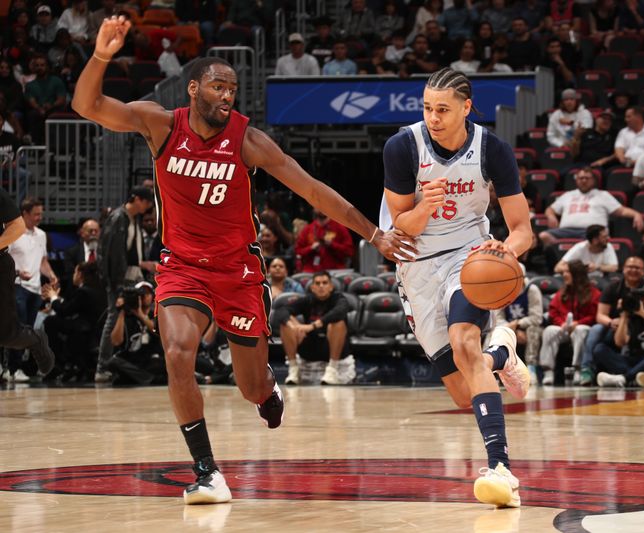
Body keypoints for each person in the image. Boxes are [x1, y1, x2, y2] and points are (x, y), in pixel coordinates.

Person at [73, 16, 412, 506]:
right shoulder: (159, 124)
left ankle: (268, 391)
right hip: (181, 265)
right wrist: (102, 55)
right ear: (194, 89)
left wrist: (375, 234)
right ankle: (207, 471)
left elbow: (313, 190)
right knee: (177, 352)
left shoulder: (247, 140)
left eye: (232, 88)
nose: (227, 95)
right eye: (217, 86)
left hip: (238, 271)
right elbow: (87, 105)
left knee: (251, 387)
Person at [382, 68, 533, 507]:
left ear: (467, 108)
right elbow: (400, 229)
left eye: (443, 109)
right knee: (462, 389)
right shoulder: (402, 147)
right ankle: (502, 352)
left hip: (469, 259)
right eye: (427, 107)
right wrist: (425, 206)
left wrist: (503, 250)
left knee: (465, 345)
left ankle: (501, 469)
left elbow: (522, 227)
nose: (433, 116)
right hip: (416, 264)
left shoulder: (493, 149)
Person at [95, 186, 154, 383]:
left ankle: (122, 363)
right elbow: (111, 253)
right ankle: (102, 366)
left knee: (134, 315)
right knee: (114, 317)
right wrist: (115, 283)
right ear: (136, 199)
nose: (148, 207)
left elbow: (127, 252)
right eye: (146, 202)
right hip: (119, 278)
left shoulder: (131, 219)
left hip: (131, 275)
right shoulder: (118, 217)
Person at [0, 187, 55, 378]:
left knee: (6, 333)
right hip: (21, 282)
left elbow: (16, 226)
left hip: (3, 266)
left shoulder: (40, 234)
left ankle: (35, 340)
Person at [578, 256, 644, 386]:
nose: (633, 270)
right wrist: (611, 322)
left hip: (641, 326)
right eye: (630, 267)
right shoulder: (612, 287)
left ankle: (624, 376)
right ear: (623, 269)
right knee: (596, 329)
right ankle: (586, 368)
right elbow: (600, 315)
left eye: (637, 268)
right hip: (615, 327)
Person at [275, 271, 351, 385]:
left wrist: (313, 325)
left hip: (332, 347)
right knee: (285, 323)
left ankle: (332, 370)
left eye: (325, 283)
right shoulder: (308, 299)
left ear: (331, 287)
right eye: (318, 283)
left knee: (337, 323)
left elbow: (340, 312)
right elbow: (281, 311)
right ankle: (294, 370)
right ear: (312, 287)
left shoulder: (339, 299)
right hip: (310, 346)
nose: (321, 286)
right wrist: (293, 326)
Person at [540, 168, 644, 246]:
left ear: (593, 180)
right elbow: (550, 209)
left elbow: (621, 211)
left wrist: (636, 214)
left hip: (591, 232)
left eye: (587, 178)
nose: (584, 180)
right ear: (576, 181)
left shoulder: (603, 195)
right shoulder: (568, 195)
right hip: (566, 231)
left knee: (594, 240)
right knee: (544, 236)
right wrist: (551, 216)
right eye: (581, 178)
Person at [595, 283, 644, 388]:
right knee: (600, 349)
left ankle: (623, 378)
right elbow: (620, 342)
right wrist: (623, 316)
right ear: (643, 299)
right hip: (630, 360)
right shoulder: (633, 316)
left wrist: (643, 313)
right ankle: (638, 377)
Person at [538, 260, 599, 386]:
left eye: (568, 272)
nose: (564, 275)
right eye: (564, 272)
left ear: (577, 274)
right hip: (565, 328)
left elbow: (594, 315)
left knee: (580, 330)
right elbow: (553, 311)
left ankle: (578, 369)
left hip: (583, 328)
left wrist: (578, 322)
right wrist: (561, 324)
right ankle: (548, 371)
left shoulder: (593, 293)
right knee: (549, 330)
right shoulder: (562, 292)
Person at [42, 261, 105, 382]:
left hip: (84, 328)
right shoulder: (97, 289)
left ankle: (57, 363)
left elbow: (64, 311)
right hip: (95, 328)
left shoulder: (83, 291)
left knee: (50, 321)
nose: (73, 275)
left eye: (75, 272)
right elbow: (72, 306)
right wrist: (57, 299)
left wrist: (53, 296)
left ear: (80, 274)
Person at [108, 280, 164, 385]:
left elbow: (157, 331)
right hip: (130, 361)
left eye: (148, 293)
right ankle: (150, 379)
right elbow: (115, 341)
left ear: (152, 296)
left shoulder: (155, 315)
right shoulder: (127, 317)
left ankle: (137, 378)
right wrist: (122, 312)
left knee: (165, 362)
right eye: (141, 294)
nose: (145, 296)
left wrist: (140, 315)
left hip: (149, 361)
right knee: (113, 362)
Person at [295, 209, 355, 273]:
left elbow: (349, 251)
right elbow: (298, 251)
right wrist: (311, 248)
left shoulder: (340, 228)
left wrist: (332, 245)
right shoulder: (307, 230)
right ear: (313, 208)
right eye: (318, 206)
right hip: (312, 272)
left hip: (335, 272)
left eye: (324, 205)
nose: (321, 208)